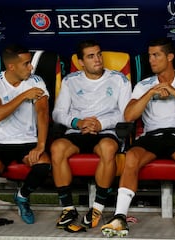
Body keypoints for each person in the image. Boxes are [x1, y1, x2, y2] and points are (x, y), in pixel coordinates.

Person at [101, 37, 175, 239]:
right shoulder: (144, 84)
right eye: (150, 55)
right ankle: (119, 217)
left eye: (156, 55)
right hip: (153, 136)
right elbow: (129, 115)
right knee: (131, 157)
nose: (151, 60)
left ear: (170, 56)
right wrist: (150, 93)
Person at [51, 39, 132, 231]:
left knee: (108, 147)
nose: (97, 59)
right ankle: (68, 208)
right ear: (81, 62)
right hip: (78, 130)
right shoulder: (70, 81)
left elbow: (127, 113)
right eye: (90, 56)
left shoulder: (119, 79)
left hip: (106, 131)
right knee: (57, 148)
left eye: (99, 54)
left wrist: (100, 123)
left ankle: (97, 207)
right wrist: (78, 123)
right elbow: (58, 113)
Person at [0, 44, 52, 224]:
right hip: (1, 142)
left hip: (27, 141)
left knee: (43, 165)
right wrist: (23, 95)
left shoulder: (36, 81)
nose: (31, 67)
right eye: (26, 64)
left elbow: (43, 113)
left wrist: (40, 145)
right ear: (11, 67)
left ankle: (22, 196)